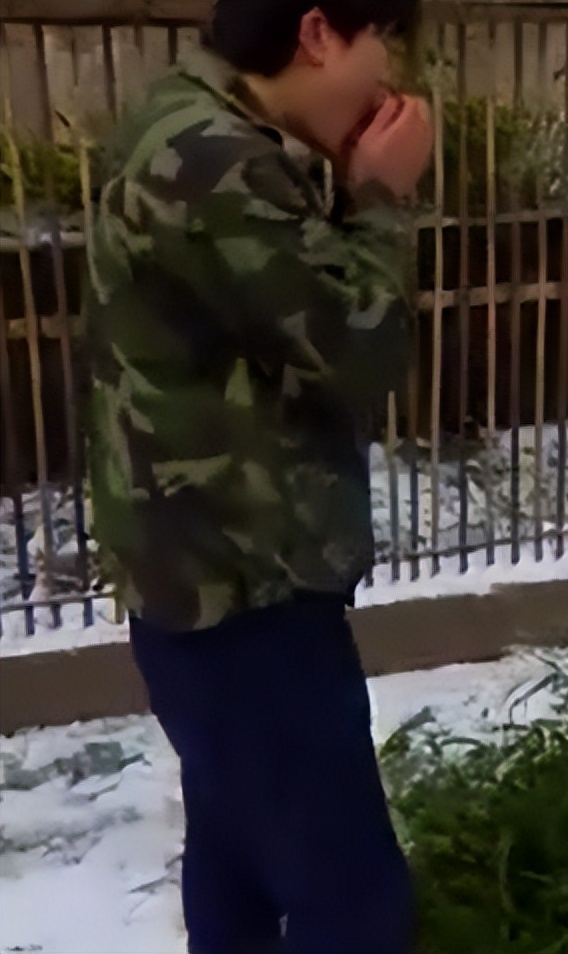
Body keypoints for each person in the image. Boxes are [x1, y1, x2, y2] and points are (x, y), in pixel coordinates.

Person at [84, 1, 433, 950]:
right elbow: (360, 351)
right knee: (351, 898)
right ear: (319, 33)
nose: (390, 85)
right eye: (383, 46)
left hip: (201, 576)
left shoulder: (186, 118)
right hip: (246, 592)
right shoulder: (214, 161)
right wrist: (384, 199)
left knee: (237, 858)